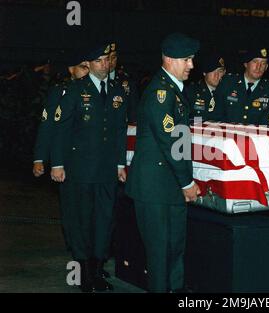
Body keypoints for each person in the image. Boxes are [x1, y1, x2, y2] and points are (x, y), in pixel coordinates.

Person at [125, 32, 201, 293]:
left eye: (192, 59)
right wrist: (188, 181)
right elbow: (171, 143)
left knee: (174, 250)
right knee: (159, 254)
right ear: (169, 59)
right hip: (155, 188)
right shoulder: (161, 93)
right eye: (187, 60)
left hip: (168, 186)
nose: (191, 65)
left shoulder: (175, 92)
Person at [50, 43, 129, 292]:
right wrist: (58, 163)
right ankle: (83, 272)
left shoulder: (117, 91)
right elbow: (61, 130)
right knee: (82, 220)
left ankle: (97, 270)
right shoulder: (75, 90)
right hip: (80, 169)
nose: (104, 64)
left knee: (104, 220)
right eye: (99, 61)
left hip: (106, 170)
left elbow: (119, 131)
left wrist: (120, 163)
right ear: (90, 64)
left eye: (107, 60)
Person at [32, 52, 89, 252]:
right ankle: (79, 254)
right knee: (73, 210)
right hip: (66, 158)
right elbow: (48, 126)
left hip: (90, 161)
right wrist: (40, 158)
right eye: (83, 66)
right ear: (71, 69)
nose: (87, 71)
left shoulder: (99, 92)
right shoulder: (61, 91)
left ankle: (93, 257)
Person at [214, 47, 269, 125]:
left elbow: (268, 124)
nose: (259, 67)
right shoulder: (227, 83)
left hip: (255, 136)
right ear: (246, 64)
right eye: (255, 62)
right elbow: (215, 115)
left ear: (266, 67)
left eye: (263, 63)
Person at [186, 53, 226, 121]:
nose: (216, 76)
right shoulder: (191, 92)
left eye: (220, 71)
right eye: (212, 71)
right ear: (204, 73)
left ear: (224, 72)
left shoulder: (227, 92)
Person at [108, 42, 139, 123]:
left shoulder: (127, 82)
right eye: (107, 58)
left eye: (113, 57)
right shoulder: (93, 81)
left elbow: (133, 114)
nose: (110, 62)